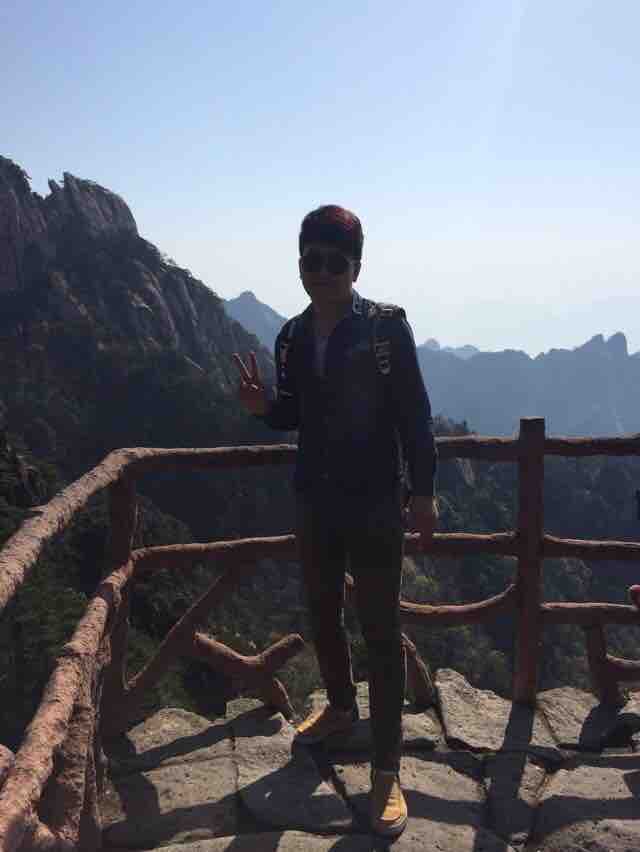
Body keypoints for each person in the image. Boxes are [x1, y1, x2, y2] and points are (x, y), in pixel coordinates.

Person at [233, 204, 437, 837]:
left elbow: (415, 414)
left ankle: (386, 772)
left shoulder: (385, 329)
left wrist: (424, 492)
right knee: (322, 612)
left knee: (380, 631)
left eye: (334, 261)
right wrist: (264, 408)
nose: (320, 272)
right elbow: (297, 412)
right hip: (316, 501)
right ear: (300, 264)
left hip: (375, 502)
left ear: (356, 267)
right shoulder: (291, 336)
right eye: (310, 260)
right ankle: (342, 707)